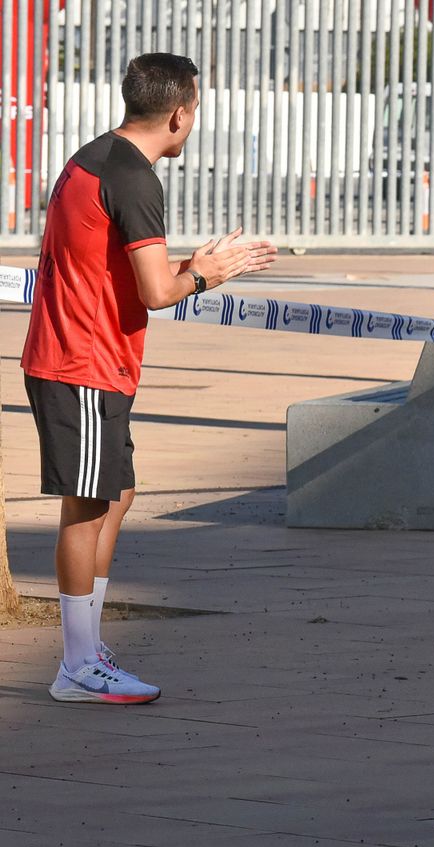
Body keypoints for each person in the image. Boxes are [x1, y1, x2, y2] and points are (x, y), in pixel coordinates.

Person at [21, 53, 276, 704]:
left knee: (118, 494)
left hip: (93, 360)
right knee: (84, 507)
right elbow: (160, 292)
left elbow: (125, 274)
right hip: (79, 362)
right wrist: (209, 274)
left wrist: (194, 265)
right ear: (179, 113)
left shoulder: (100, 158)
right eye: (196, 111)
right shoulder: (134, 178)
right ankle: (78, 665)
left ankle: (88, 645)